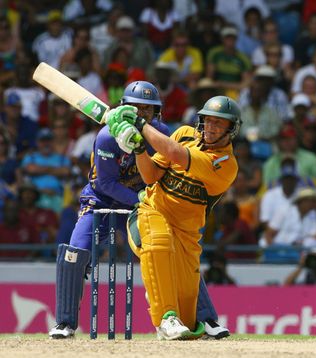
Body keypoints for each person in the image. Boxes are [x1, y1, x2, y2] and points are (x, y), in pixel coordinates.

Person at [48, 82, 228, 340]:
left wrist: (148, 198)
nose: (142, 113)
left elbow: (164, 170)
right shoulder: (108, 137)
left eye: (148, 109)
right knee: (75, 253)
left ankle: (205, 318)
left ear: (157, 113)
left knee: (171, 252)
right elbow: (105, 184)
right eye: (136, 108)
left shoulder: (160, 133)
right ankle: (64, 323)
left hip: (144, 203)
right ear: (124, 108)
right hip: (102, 202)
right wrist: (139, 197)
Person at [105, 95, 241, 340]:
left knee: (188, 322)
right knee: (159, 240)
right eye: (208, 121)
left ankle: (164, 295)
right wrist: (138, 150)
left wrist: (139, 124)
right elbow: (150, 177)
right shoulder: (185, 133)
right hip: (151, 212)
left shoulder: (225, 164)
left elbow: (175, 153)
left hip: (187, 234)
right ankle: (165, 316)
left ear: (231, 130)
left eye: (219, 124)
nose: (211, 128)